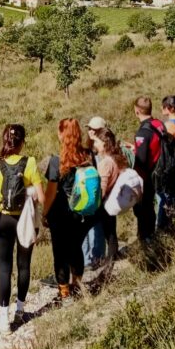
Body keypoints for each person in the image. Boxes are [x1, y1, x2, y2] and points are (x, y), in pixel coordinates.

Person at [0, 120, 44, 331]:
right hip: (25, 220)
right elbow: (41, 197)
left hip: (3, 219)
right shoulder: (30, 162)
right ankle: (20, 311)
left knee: (4, 267)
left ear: (5, 140)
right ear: (22, 142)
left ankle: (4, 318)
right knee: (24, 265)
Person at [44, 118, 97, 301]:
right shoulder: (88, 155)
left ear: (61, 134)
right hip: (82, 211)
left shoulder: (56, 161)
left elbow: (51, 193)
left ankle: (64, 292)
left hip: (60, 213)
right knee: (76, 248)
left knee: (60, 252)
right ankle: (77, 284)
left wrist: (44, 213)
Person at [90, 127, 127, 271]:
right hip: (113, 200)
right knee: (111, 232)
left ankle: (107, 262)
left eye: (97, 142)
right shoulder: (116, 157)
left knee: (107, 232)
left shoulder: (105, 163)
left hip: (104, 202)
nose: (95, 145)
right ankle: (113, 256)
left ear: (104, 143)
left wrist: (94, 204)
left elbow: (102, 188)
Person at [131, 97, 166, 243]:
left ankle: (145, 238)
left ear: (137, 111)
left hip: (146, 176)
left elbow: (141, 160)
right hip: (159, 170)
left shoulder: (143, 133)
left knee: (143, 209)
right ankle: (151, 235)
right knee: (151, 206)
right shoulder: (158, 124)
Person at [80, 117, 109, 270]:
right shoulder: (88, 148)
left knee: (96, 225)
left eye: (94, 129)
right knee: (87, 224)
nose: (90, 131)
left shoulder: (104, 150)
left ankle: (97, 257)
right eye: (89, 129)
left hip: (99, 192)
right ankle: (87, 259)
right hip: (89, 192)